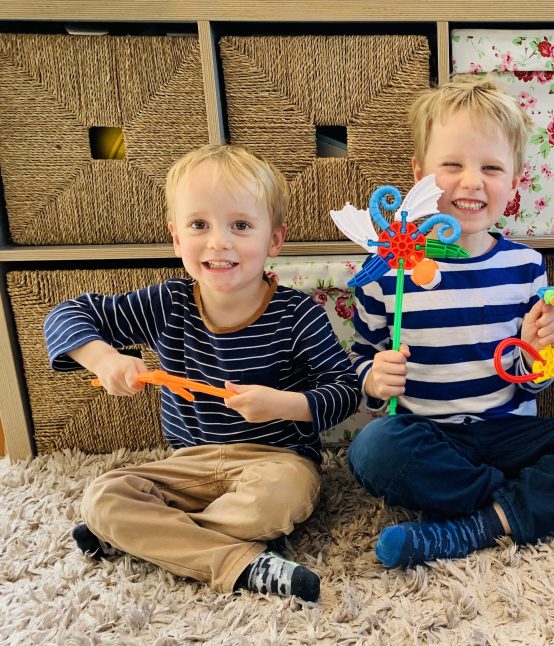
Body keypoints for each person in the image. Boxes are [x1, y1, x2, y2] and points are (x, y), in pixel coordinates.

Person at [346, 75, 554, 568]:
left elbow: (530, 386)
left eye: (491, 167)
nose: (472, 181)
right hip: (430, 438)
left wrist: (536, 355)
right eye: (452, 166)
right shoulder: (384, 272)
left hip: (510, 435)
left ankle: (477, 526)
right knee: (373, 450)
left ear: (514, 179)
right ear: (419, 174)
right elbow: (361, 363)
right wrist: (374, 379)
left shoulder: (525, 266)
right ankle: (547, 502)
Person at [44, 144, 361, 602]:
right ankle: (241, 562)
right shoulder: (168, 303)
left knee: (277, 500)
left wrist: (284, 404)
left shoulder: (297, 313)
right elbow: (66, 315)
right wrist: (105, 359)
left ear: (274, 239)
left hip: (277, 462)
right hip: (188, 464)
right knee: (102, 498)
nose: (219, 242)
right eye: (199, 225)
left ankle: (151, 539)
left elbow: (345, 390)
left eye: (241, 226)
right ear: (176, 239)